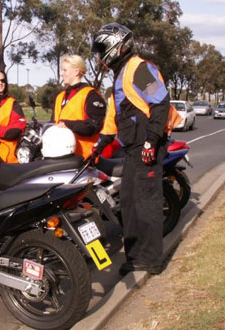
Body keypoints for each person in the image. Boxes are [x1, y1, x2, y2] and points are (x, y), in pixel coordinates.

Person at [90, 23, 181, 275]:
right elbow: (112, 120)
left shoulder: (138, 69)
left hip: (146, 147)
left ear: (114, 46)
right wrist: (99, 147)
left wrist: (152, 140)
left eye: (101, 49)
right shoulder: (119, 76)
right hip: (132, 148)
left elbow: (161, 103)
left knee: (147, 203)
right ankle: (134, 256)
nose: (99, 56)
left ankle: (151, 260)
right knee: (128, 202)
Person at [52, 55, 106, 159]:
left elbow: (94, 126)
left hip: (85, 159)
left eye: (65, 70)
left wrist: (68, 124)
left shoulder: (91, 95)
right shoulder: (60, 97)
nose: (62, 73)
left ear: (76, 72)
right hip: (61, 157)